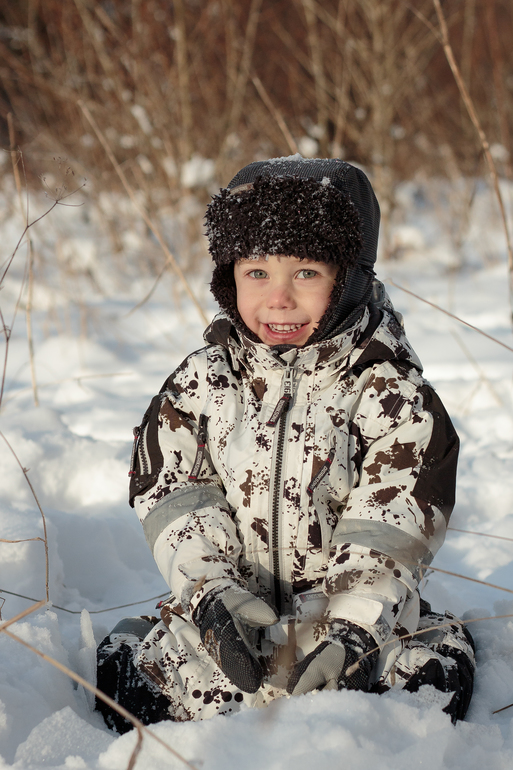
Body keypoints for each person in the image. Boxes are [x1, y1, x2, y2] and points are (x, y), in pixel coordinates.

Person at [95, 157, 475, 734]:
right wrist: (210, 591)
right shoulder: (202, 383)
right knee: (143, 691)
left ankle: (391, 665)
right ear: (229, 277)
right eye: (256, 274)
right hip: (231, 611)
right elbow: (178, 495)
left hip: (347, 613)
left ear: (349, 277)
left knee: (404, 697)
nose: (278, 299)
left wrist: (356, 627)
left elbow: (392, 523)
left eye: (305, 274)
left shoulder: (390, 392)